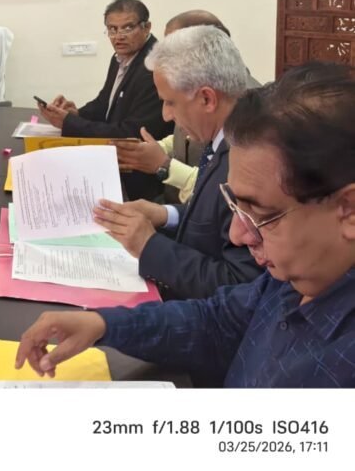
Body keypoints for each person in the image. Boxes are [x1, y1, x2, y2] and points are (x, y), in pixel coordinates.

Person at [16, 62, 355, 388]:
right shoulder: (292, 278)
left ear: (349, 210)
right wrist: (103, 323)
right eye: (235, 206)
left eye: (262, 215)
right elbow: (217, 321)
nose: (237, 234)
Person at [92, 26, 260, 299]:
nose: (165, 116)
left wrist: (149, 246)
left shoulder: (248, 160)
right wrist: (165, 214)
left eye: (169, 102)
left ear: (207, 98)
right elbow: (212, 219)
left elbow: (239, 286)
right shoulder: (222, 137)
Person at [113, 10, 258, 203]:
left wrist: (164, 166)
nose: (165, 115)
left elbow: (222, 198)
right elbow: (183, 139)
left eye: (174, 48)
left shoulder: (249, 119)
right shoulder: (200, 102)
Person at [38, 0, 172, 200]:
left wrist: (70, 123)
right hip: (112, 159)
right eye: (112, 29)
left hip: (136, 178)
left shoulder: (153, 68)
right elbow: (104, 103)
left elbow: (131, 133)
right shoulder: (120, 57)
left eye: (127, 28)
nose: (119, 36)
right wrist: (76, 113)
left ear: (146, 27)